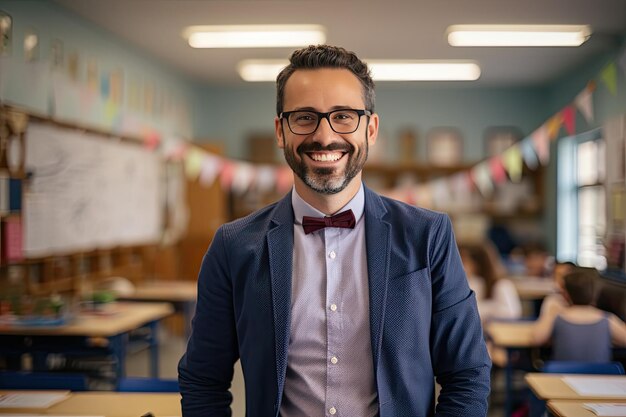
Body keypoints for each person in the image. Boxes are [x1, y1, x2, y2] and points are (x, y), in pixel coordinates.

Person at [178, 44, 491, 417]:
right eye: (305, 117)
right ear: (281, 131)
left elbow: (467, 373)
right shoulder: (233, 246)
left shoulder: (429, 235)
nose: (325, 136)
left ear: (371, 129)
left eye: (343, 116)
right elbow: (203, 379)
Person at [532, 268, 626, 361]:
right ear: (594, 294)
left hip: (563, 372)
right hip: (599, 373)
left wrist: (550, 313)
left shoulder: (557, 316)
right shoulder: (606, 319)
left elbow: (537, 339)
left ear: (565, 294)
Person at [458, 241, 522, 322]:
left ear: (479, 263)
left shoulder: (501, 285)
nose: (460, 265)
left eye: (464, 261)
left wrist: (484, 309)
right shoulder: (469, 283)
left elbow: (511, 313)